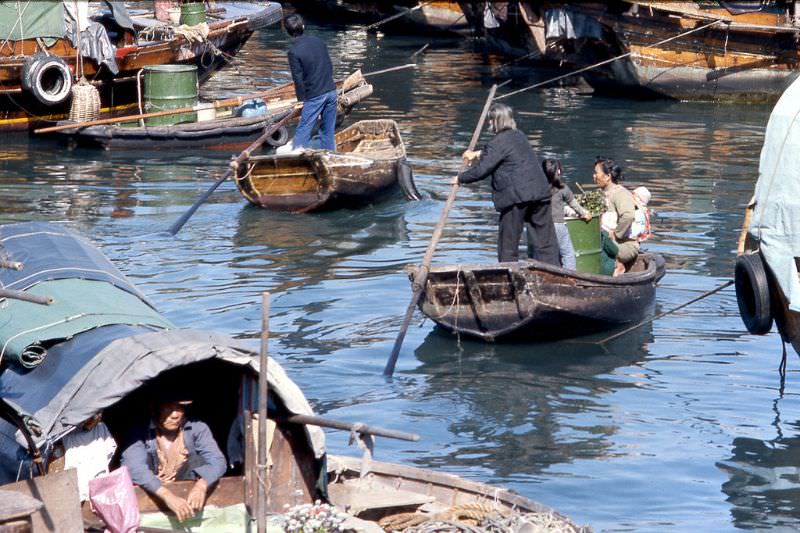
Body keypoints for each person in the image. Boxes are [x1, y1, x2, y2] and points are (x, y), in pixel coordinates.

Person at [459, 103, 559, 264]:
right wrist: (476, 154)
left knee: (508, 245)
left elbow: (481, 171)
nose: (489, 124)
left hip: (517, 197)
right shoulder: (519, 135)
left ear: (496, 121)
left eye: (490, 121)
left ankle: (508, 274)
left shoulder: (497, 142)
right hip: (540, 192)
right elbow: (500, 152)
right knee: (546, 243)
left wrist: (459, 178)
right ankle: (556, 272)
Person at [120, 396, 226, 522]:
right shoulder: (139, 430)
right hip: (153, 489)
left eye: (180, 407)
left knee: (198, 461)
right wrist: (167, 496)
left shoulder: (197, 427)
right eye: (168, 408)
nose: (175, 415)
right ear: (154, 409)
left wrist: (202, 485)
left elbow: (218, 461)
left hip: (184, 487)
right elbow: (134, 467)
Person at [285, 14, 337, 151]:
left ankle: (296, 161)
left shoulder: (293, 52)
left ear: (288, 32)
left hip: (315, 96)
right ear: (303, 26)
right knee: (328, 132)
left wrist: (301, 100)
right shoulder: (318, 40)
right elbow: (329, 65)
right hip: (331, 90)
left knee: (303, 130)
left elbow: (298, 79)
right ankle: (330, 157)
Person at [530, 158, 592, 270]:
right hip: (557, 225)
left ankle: (538, 273)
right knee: (567, 254)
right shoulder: (562, 188)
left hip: (541, 226)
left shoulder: (536, 188)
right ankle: (569, 276)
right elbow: (574, 204)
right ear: (558, 172)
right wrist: (584, 214)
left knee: (540, 252)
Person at [593, 157, 638, 274]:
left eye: (596, 173)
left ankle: (617, 266)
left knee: (600, 246)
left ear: (608, 176)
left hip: (624, 245)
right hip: (605, 241)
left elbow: (628, 215)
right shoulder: (600, 194)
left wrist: (616, 234)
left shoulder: (620, 193)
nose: (594, 176)